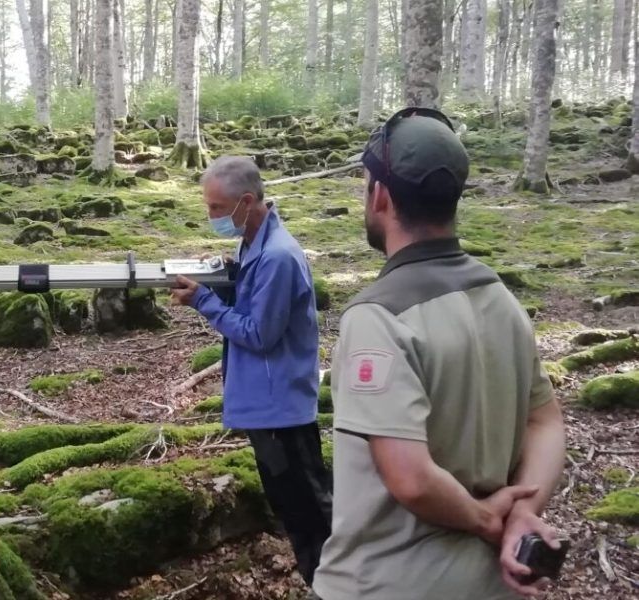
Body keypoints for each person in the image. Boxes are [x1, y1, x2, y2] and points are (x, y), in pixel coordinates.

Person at [312, 108, 567, 600]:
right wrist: (524, 513)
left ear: (380, 196)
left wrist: (488, 520)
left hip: (383, 584)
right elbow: (546, 422)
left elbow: (411, 479)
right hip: (491, 586)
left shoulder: (378, 317)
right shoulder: (501, 299)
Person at [170, 155, 333, 586]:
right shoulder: (253, 242)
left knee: (310, 513)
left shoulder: (278, 256)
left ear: (246, 201)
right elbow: (252, 301)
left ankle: (339, 586)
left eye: (217, 208)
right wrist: (223, 278)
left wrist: (204, 301)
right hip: (267, 405)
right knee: (293, 509)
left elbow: (260, 333)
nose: (211, 216)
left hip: (282, 411)